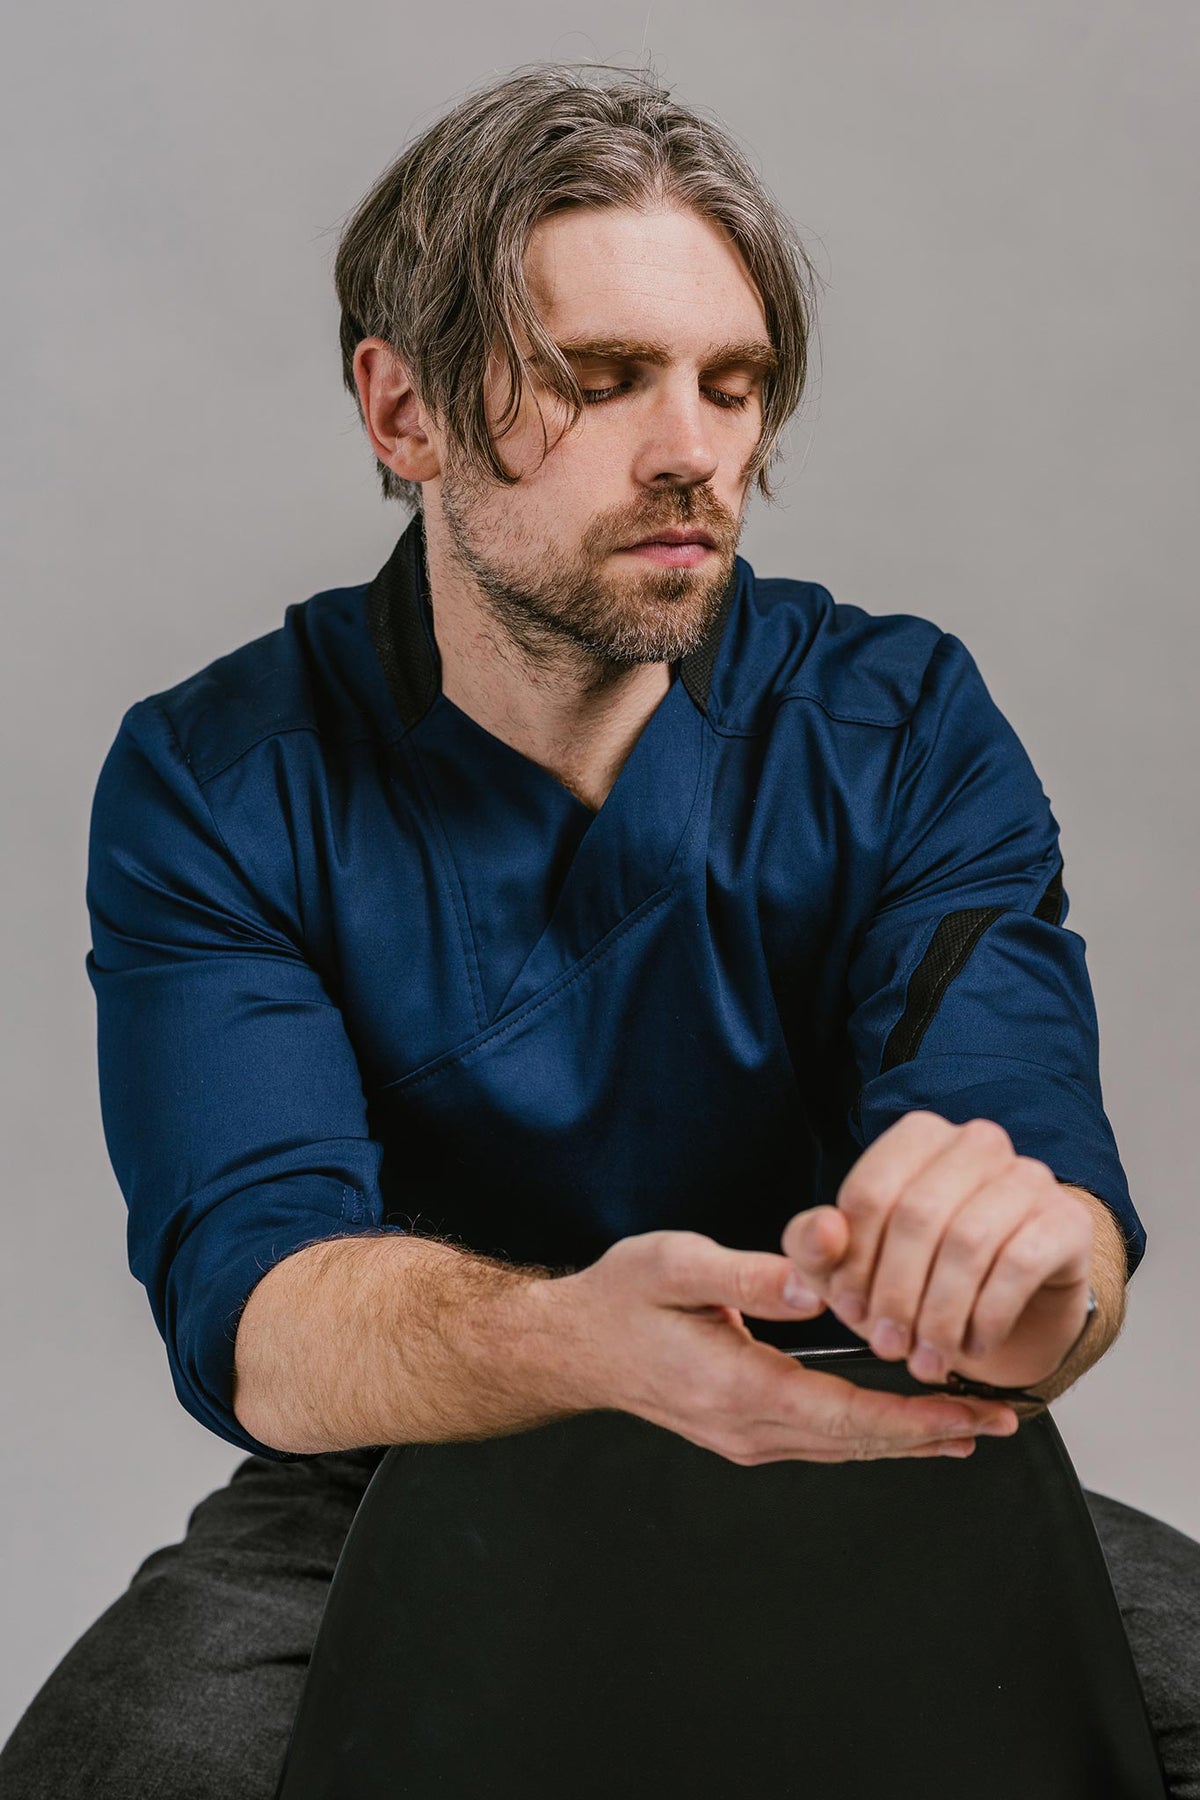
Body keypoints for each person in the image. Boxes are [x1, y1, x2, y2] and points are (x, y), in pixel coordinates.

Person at [3, 60, 1197, 1800]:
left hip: (861, 1425)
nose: (694, 451)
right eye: (602, 378)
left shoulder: (899, 727)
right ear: (403, 411)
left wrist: (1026, 1283)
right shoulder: (222, 778)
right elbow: (260, 1304)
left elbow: (1047, 1212)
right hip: (392, 1473)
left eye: (733, 384)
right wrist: (572, 1340)